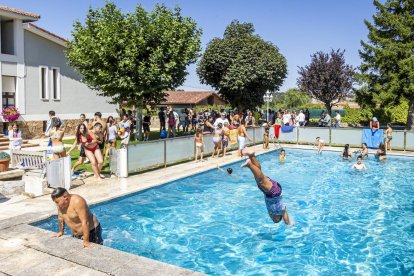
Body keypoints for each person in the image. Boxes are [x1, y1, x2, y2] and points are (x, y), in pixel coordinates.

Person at [241, 149, 291, 225]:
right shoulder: (281, 210)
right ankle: (250, 165)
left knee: (259, 176)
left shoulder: (271, 211)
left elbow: (271, 215)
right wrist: (289, 225)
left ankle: (251, 156)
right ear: (279, 217)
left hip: (269, 193)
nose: (274, 219)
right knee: (261, 181)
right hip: (275, 192)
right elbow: (286, 219)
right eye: (276, 220)